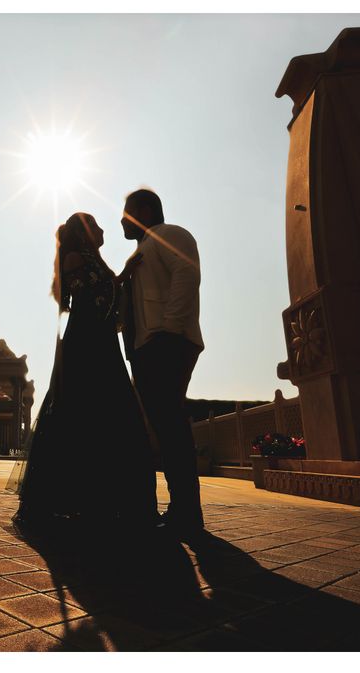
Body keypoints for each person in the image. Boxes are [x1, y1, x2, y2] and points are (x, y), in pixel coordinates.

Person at [8, 212, 159, 530]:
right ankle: (77, 499)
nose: (104, 229)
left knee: (108, 411)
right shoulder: (75, 258)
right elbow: (92, 300)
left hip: (100, 340)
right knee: (81, 408)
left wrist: (124, 275)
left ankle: (106, 501)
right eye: (97, 225)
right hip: (85, 342)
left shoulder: (94, 260)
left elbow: (106, 296)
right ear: (85, 232)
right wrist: (122, 278)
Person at [120, 189, 205, 533]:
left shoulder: (171, 235)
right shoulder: (141, 252)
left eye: (126, 212)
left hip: (166, 342)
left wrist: (169, 329)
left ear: (143, 210)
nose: (122, 221)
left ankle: (187, 512)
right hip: (146, 347)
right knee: (165, 430)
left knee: (171, 427)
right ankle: (182, 508)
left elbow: (187, 276)